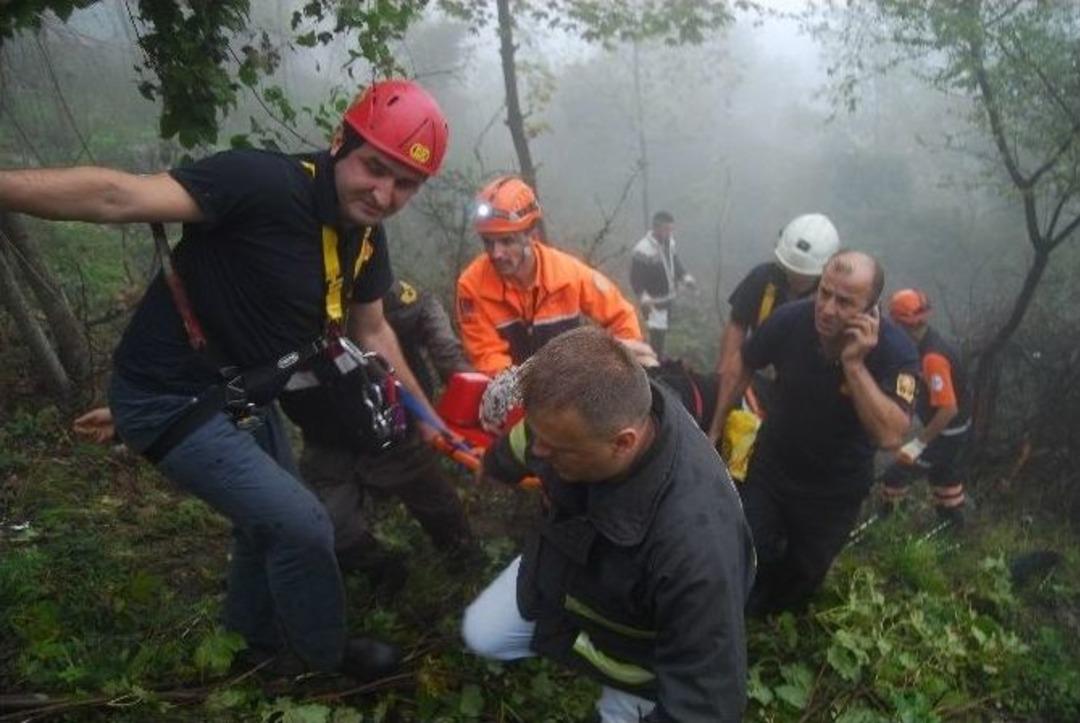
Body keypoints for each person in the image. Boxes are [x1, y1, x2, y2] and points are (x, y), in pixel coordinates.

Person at [0, 79, 450, 679]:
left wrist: (430, 421)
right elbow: (117, 196)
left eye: (406, 184)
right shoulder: (263, 184)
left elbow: (373, 331)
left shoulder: (364, 235)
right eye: (375, 168)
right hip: (168, 396)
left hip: (239, 396)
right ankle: (317, 666)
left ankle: (249, 642)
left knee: (265, 523)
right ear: (340, 141)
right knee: (301, 525)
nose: (385, 193)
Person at [462, 327, 755, 722]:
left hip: (637, 661)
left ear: (623, 443)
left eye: (556, 449)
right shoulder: (588, 410)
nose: (538, 452)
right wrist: (496, 462)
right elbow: (531, 436)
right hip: (559, 582)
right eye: (538, 435)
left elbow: (707, 705)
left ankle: (624, 699)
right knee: (481, 632)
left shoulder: (696, 549)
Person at [713, 250, 919, 615]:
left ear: (871, 309)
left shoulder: (894, 351)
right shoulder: (791, 319)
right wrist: (713, 431)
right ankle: (735, 618)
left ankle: (775, 617)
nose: (827, 309)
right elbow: (743, 363)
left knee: (802, 576)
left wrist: (854, 365)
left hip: (834, 489)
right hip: (773, 466)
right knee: (745, 550)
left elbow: (890, 435)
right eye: (824, 292)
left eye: (845, 302)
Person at [285, 279, 477, 578]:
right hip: (325, 439)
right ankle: (385, 574)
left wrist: (452, 371)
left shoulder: (347, 281)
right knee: (333, 527)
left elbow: (424, 306)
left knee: (433, 501)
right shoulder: (249, 322)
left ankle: (465, 561)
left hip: (392, 424)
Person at [455, 175, 644, 378]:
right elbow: (488, 359)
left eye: (507, 241)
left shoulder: (567, 274)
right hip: (510, 389)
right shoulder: (472, 286)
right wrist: (527, 388)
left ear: (531, 235)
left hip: (570, 382)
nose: (496, 253)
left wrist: (619, 367)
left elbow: (622, 316)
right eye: (488, 242)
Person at [707, 212, 840, 448]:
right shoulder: (763, 278)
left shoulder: (833, 300)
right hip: (756, 367)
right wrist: (725, 372)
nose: (796, 278)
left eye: (805, 276)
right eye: (791, 271)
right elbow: (738, 323)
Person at [880, 288, 971, 526]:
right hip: (955, 431)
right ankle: (953, 528)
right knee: (944, 480)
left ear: (903, 325)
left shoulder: (933, 358)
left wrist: (919, 444)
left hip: (947, 435)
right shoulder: (930, 343)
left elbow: (948, 409)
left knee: (895, 475)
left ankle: (888, 527)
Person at [629, 210, 695, 355]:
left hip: (668, 298)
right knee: (655, 337)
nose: (670, 233)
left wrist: (685, 277)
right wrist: (643, 296)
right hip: (652, 302)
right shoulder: (642, 250)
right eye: (666, 229)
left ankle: (657, 359)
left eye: (671, 229)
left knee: (662, 334)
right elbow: (635, 279)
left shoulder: (670, 243)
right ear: (656, 227)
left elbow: (675, 263)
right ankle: (652, 362)